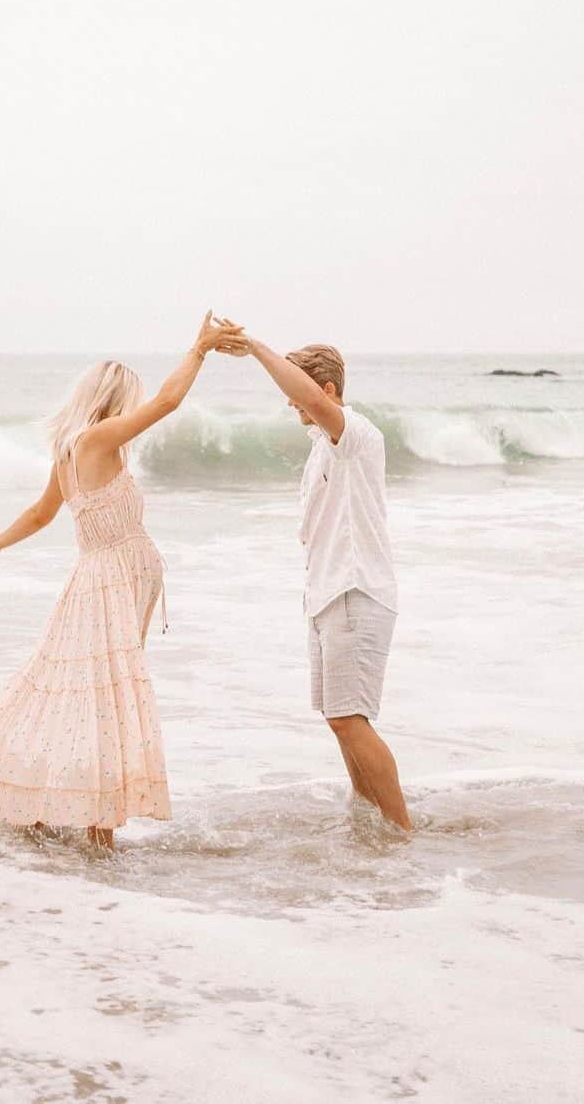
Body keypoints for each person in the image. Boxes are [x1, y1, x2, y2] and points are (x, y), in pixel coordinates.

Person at [0, 311, 246, 850]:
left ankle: (41, 804)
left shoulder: (68, 451)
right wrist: (198, 350)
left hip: (96, 579)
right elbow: (169, 403)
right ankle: (96, 829)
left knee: (71, 691)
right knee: (105, 698)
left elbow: (39, 514)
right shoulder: (99, 438)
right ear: (114, 401)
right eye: (130, 399)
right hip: (115, 579)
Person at [223, 335, 411, 831]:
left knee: (350, 719)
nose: (291, 403)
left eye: (301, 392)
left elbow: (306, 398)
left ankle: (401, 830)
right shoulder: (322, 449)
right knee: (340, 721)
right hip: (328, 598)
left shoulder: (357, 435)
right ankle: (370, 822)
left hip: (356, 592)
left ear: (327, 390)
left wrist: (256, 351)